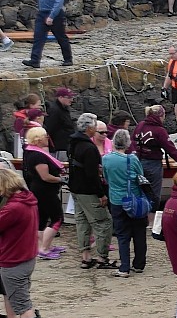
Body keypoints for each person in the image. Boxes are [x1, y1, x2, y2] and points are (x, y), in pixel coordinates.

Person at [0, 168, 42, 318]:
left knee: (22, 304)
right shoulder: (27, 199)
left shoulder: (13, 208)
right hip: (25, 256)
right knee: (23, 301)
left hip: (14, 259)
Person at [69, 113, 114, 271]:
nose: (96, 129)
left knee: (82, 222)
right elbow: (92, 175)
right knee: (104, 222)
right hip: (88, 190)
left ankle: (86, 257)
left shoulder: (73, 142)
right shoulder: (89, 148)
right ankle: (102, 257)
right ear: (89, 128)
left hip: (75, 188)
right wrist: (101, 193)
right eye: (95, 127)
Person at [102, 128, 147, 278]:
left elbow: (106, 178)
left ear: (114, 142)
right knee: (139, 233)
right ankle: (139, 264)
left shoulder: (106, 159)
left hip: (117, 200)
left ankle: (124, 267)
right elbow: (140, 177)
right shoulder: (133, 159)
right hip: (135, 199)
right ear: (128, 143)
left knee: (122, 235)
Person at [134, 103, 177, 212]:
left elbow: (133, 142)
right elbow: (170, 148)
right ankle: (152, 217)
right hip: (153, 164)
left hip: (138, 161)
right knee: (154, 192)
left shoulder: (140, 125)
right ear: (161, 116)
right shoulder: (159, 130)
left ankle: (140, 213)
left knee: (140, 190)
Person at [22, 127, 65, 260]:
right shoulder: (38, 155)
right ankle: (44, 248)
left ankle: (41, 246)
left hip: (39, 189)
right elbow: (45, 176)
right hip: (45, 190)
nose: (48, 138)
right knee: (57, 217)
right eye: (45, 136)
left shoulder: (31, 151)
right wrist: (61, 179)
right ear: (38, 139)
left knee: (42, 218)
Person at [22, 0, 72, 69]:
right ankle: (35, 61)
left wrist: (51, 16)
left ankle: (68, 59)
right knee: (38, 37)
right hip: (42, 13)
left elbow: (59, 2)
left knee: (61, 37)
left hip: (56, 14)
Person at [44, 86, 76, 161]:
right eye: (69, 97)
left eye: (72, 97)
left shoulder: (64, 109)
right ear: (60, 97)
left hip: (65, 146)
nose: (71, 99)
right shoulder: (54, 110)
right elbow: (49, 129)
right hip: (58, 147)